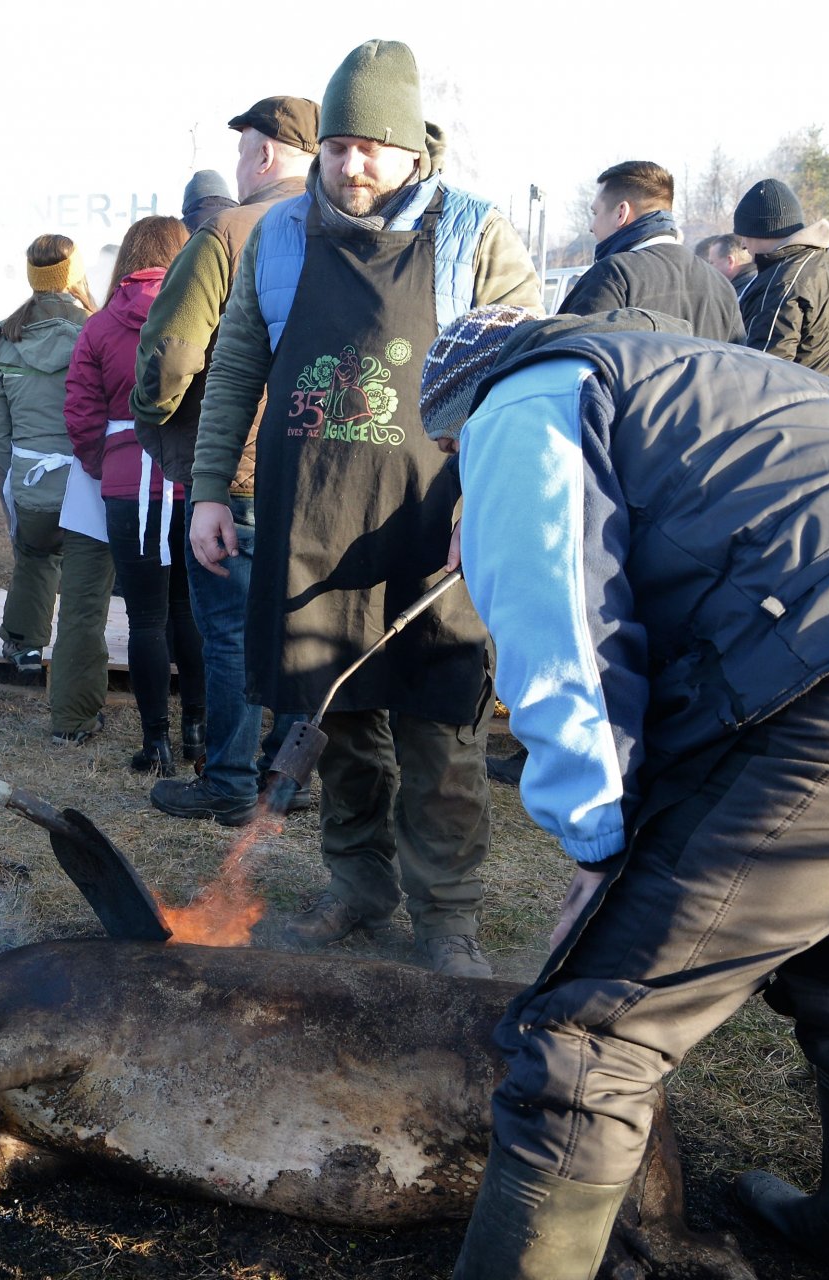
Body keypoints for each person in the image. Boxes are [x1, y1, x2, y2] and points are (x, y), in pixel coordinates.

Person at [416, 304, 829, 1280]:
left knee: (592, 1040)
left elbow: (562, 649)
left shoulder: (523, 400)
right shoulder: (681, 370)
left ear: (458, 418)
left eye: (454, 450)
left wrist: (598, 847)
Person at [186, 39, 539, 975]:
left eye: (372, 147)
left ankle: (447, 916)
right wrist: (211, 490)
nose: (351, 165)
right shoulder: (280, 234)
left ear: (414, 147)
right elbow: (234, 371)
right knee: (331, 721)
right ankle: (358, 886)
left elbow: (525, 386)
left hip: (437, 524)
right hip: (315, 523)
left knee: (439, 732)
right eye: (337, 144)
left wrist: (493, 502)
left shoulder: (477, 234)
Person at [133, 93, 318, 825]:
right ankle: (287, 779)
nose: (241, 162)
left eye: (244, 148)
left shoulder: (227, 232)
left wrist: (155, 420)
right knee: (302, 623)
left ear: (264, 153)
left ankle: (232, 782)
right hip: (320, 469)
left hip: (235, 468)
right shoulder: (350, 232)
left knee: (232, 629)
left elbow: (173, 351)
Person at [65, 215, 204, 774]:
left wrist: (104, 467)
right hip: (194, 483)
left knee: (145, 619)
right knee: (191, 613)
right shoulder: (202, 314)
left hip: (128, 485)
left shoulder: (98, 327)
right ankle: (197, 731)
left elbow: (80, 413)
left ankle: (157, 744)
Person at [0, 234, 115, 744]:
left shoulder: (7, 337)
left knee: (34, 556)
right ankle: (75, 716)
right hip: (88, 482)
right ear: (75, 272)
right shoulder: (98, 330)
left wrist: (12, 472)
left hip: (32, 477)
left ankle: (23, 644)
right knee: (83, 602)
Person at [556, 162, 743, 342]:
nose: (591, 226)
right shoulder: (722, 286)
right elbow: (738, 365)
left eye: (595, 213)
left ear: (621, 213)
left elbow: (567, 360)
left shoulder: (612, 275)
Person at [731, 178, 829, 377]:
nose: (744, 245)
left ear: (761, 231)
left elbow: (763, 367)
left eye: (745, 236)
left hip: (790, 399)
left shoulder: (783, 281)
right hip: (822, 393)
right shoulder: (828, 265)